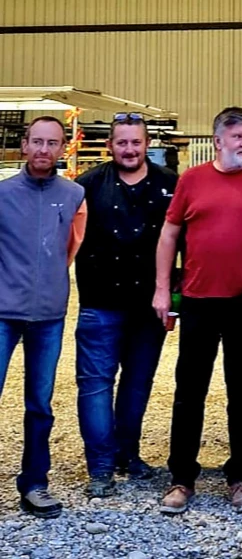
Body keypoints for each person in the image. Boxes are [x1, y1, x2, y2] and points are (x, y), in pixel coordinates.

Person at [153, 107, 242, 515]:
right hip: (198, 301)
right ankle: (182, 477)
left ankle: (239, 476)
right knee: (189, 392)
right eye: (238, 136)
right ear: (217, 141)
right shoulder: (192, 180)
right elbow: (169, 234)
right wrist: (163, 289)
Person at [74, 113, 178, 497]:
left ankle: (127, 454)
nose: (130, 149)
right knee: (95, 385)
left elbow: (183, 242)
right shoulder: (86, 186)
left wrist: (175, 298)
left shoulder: (170, 184)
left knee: (137, 384)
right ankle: (100, 467)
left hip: (150, 305)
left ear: (147, 144)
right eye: (122, 143)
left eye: (136, 142)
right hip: (99, 303)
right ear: (110, 146)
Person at [0, 117, 87, 518]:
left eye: (52, 143)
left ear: (63, 148)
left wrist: (50, 283)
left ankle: (34, 483)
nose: (43, 150)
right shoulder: (3, 194)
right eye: (37, 141)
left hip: (49, 316)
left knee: (40, 404)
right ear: (24, 144)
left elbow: (70, 247)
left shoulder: (73, 195)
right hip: (3, 313)